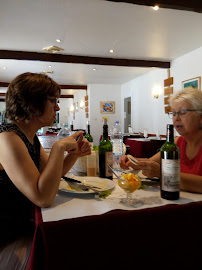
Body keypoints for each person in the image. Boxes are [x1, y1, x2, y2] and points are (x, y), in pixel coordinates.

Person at [0, 72, 91, 247]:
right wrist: (58, 147)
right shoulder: (7, 138)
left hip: (23, 224)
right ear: (32, 105)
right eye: (53, 101)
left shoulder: (29, 136)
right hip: (8, 237)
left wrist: (73, 154)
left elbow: (49, 177)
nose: (57, 108)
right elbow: (43, 197)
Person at [120, 88, 202, 193]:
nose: (176, 118)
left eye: (182, 112)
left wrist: (162, 173)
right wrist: (131, 160)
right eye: (173, 113)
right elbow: (150, 162)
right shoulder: (178, 142)